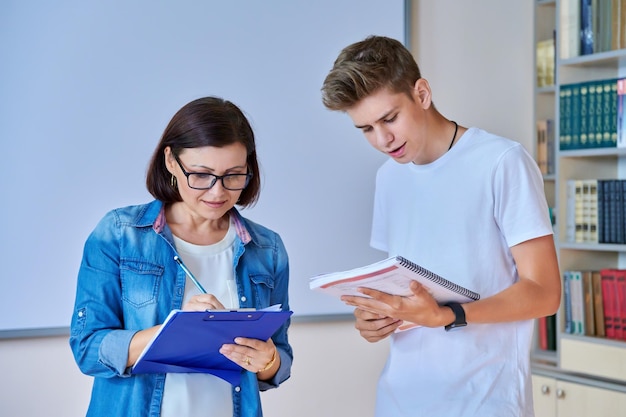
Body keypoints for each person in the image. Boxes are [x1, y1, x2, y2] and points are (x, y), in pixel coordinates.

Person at [320, 35, 561, 417]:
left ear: (422, 93)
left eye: (389, 118)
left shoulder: (501, 162)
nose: (383, 139)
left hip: (485, 402)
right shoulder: (389, 178)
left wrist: (449, 315)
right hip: (399, 401)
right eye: (366, 129)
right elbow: (406, 285)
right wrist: (378, 317)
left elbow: (545, 292)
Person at [69, 96, 292, 417]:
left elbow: (280, 357)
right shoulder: (118, 234)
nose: (218, 192)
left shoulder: (267, 249)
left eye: (233, 175)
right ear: (171, 162)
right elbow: (87, 348)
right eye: (201, 175)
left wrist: (268, 360)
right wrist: (174, 333)